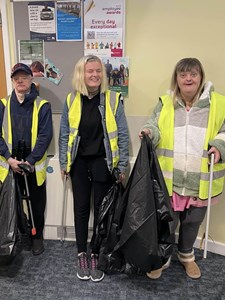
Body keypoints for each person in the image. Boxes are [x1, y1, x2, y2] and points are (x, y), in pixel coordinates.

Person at [139, 58, 225, 280]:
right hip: (171, 180)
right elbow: (154, 125)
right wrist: (149, 133)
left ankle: (186, 255)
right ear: (176, 79)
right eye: (183, 74)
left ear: (201, 77)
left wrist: (219, 146)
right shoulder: (166, 102)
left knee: (192, 222)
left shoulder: (218, 103)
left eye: (193, 74)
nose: (188, 78)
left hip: (201, 181)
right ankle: (164, 256)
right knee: (168, 222)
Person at [59, 55, 129, 282]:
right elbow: (63, 134)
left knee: (101, 211)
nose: (95, 75)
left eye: (98, 71)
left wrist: (122, 165)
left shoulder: (113, 99)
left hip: (103, 162)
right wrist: (63, 162)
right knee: (80, 209)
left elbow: (122, 134)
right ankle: (82, 252)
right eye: (90, 71)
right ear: (82, 73)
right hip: (78, 163)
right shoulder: (71, 100)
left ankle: (96, 251)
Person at [0, 63, 53, 255]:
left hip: (32, 163)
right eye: (16, 78)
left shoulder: (42, 105)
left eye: (24, 77)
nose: (20, 80)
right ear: (13, 81)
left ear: (31, 79)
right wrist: (9, 159)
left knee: (36, 203)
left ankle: (36, 236)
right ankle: (20, 232)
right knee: (12, 201)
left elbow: (45, 136)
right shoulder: (3, 104)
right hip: (10, 163)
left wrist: (29, 161)